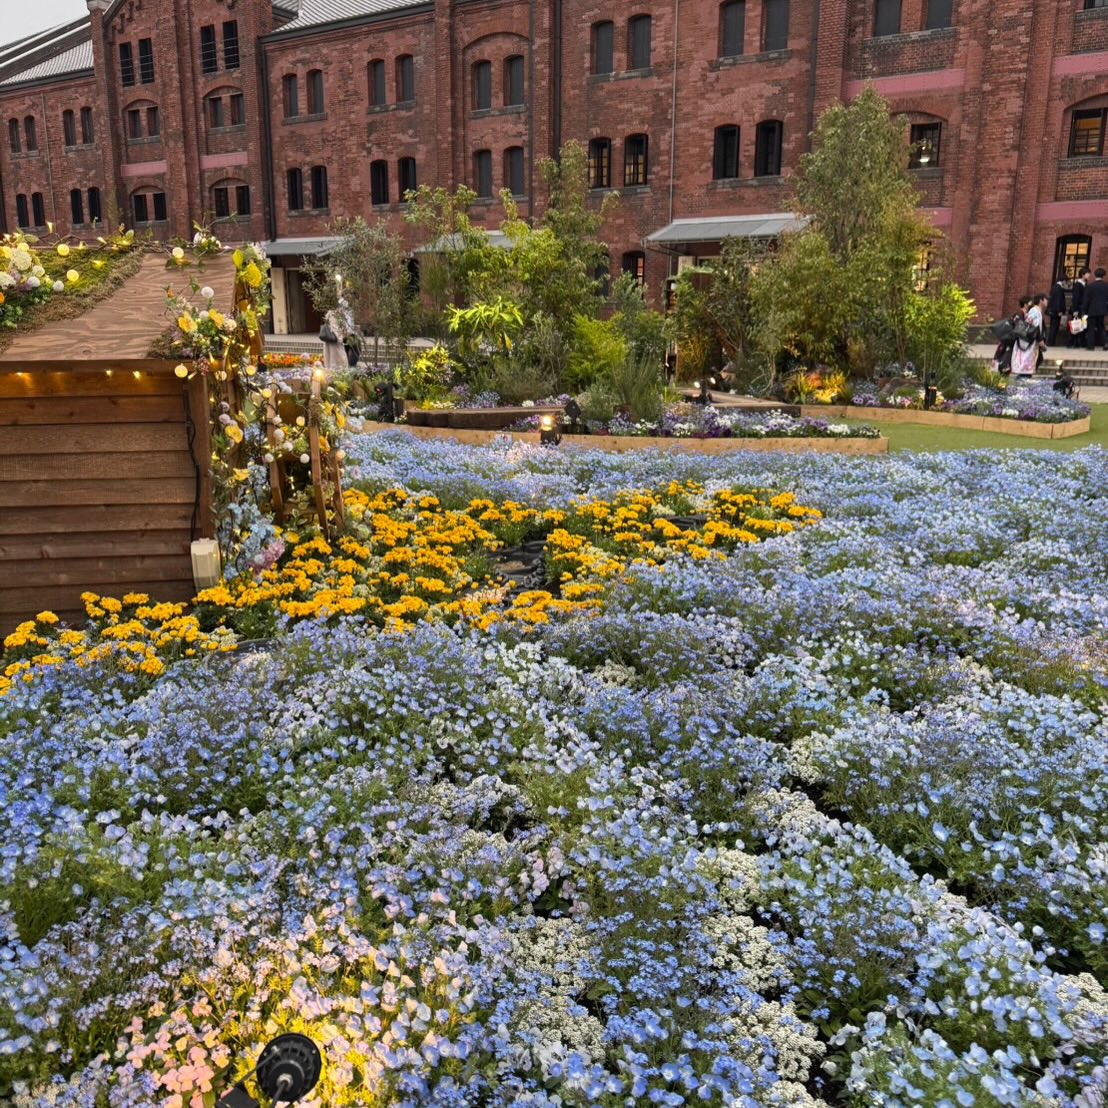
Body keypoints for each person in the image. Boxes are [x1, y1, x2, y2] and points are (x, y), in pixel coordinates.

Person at [1009, 293, 1046, 380]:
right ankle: (1021, 382)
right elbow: (1034, 327)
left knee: (1029, 366)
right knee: (1026, 369)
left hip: (1029, 342)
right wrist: (1040, 340)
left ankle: (1022, 381)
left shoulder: (1034, 311)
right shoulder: (1035, 312)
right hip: (1029, 342)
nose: (1047, 302)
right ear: (1041, 300)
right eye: (1046, 299)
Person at [1085, 267, 1108, 352]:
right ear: (1103, 275)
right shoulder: (1106, 286)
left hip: (1092, 310)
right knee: (1101, 327)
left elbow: (1086, 299)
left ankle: (1090, 346)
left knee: (1091, 328)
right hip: (1102, 310)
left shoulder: (1090, 286)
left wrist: (1084, 310)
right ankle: (1105, 343)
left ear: (1095, 275)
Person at [1070, 267, 1090, 347]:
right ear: (1082, 274)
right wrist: (1075, 310)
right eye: (1087, 274)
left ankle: (1080, 342)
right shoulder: (1078, 284)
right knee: (1076, 325)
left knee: (1082, 325)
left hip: (1083, 309)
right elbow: (1075, 298)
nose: (1089, 275)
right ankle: (1073, 342)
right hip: (1078, 308)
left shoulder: (1085, 284)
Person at [1046, 277, 1068, 345]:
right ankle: (1051, 342)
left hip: (1053, 310)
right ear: (1063, 281)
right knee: (1054, 326)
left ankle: (1051, 341)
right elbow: (1058, 300)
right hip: (1056, 311)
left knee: (1053, 326)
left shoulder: (1054, 287)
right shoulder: (1059, 288)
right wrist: (1059, 311)